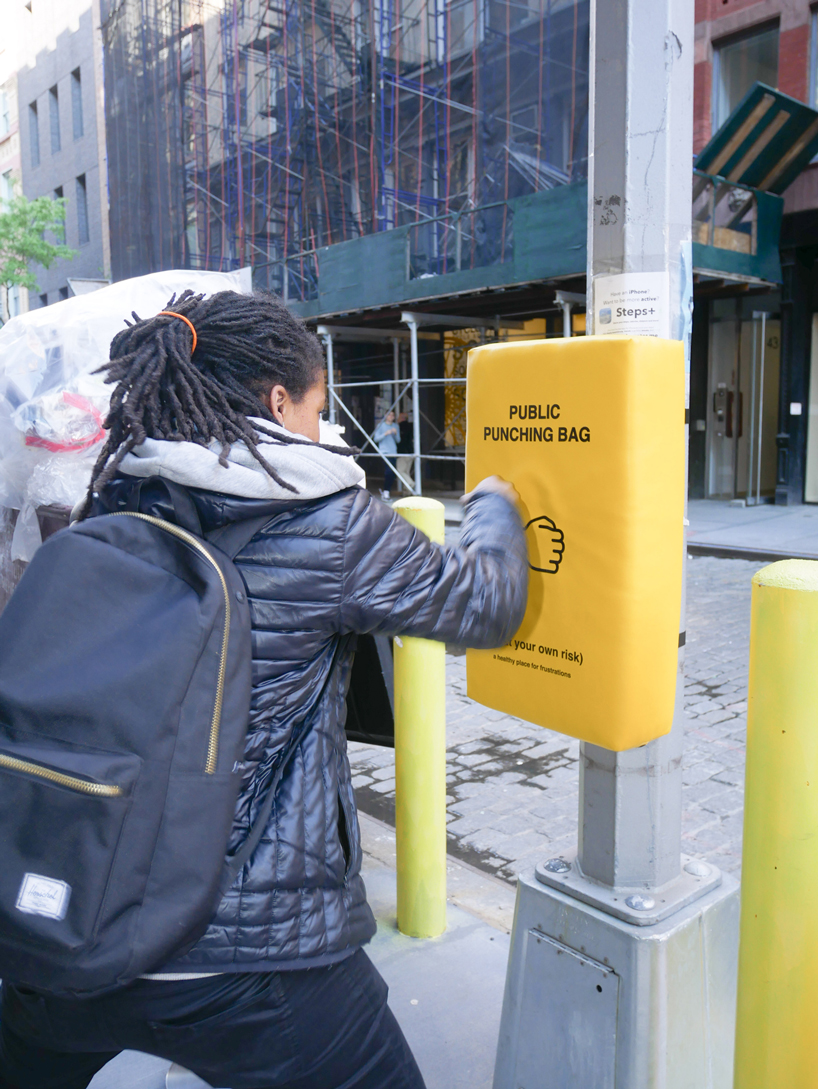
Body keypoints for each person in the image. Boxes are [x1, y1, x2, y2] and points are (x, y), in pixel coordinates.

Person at [0, 289, 528, 1089]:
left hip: (73, 931)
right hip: (256, 963)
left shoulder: (112, 497)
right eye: (318, 408)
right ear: (280, 400)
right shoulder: (333, 520)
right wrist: (495, 501)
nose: (325, 431)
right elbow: (484, 600)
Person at [373, 408, 399, 499]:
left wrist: (395, 434)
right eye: (389, 415)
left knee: (392, 473)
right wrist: (385, 433)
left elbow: (398, 440)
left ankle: (386, 491)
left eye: (392, 415)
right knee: (388, 471)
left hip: (393, 451)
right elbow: (376, 439)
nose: (390, 417)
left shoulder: (395, 426)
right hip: (384, 451)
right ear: (385, 416)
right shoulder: (381, 425)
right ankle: (386, 492)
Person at [396, 411, 413, 494]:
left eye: (398, 417)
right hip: (411, 452)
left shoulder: (399, 427)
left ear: (402, 418)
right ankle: (407, 491)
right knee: (406, 472)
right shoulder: (411, 427)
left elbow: (400, 441)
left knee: (400, 471)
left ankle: (410, 483)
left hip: (403, 452)